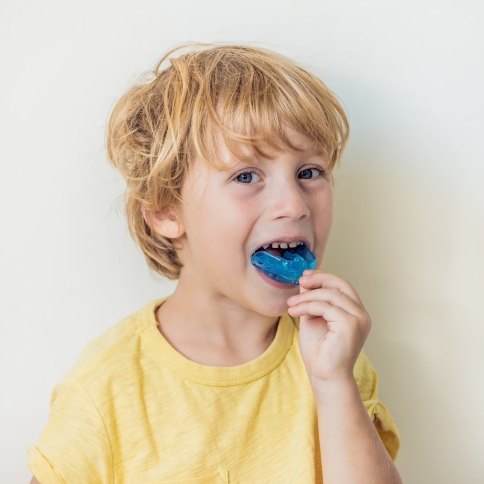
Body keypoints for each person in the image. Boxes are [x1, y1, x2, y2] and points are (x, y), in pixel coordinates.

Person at [28, 43, 401, 483]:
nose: (293, 204)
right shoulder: (105, 389)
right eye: (246, 176)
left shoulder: (333, 355)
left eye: (309, 172)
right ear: (167, 211)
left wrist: (335, 382)